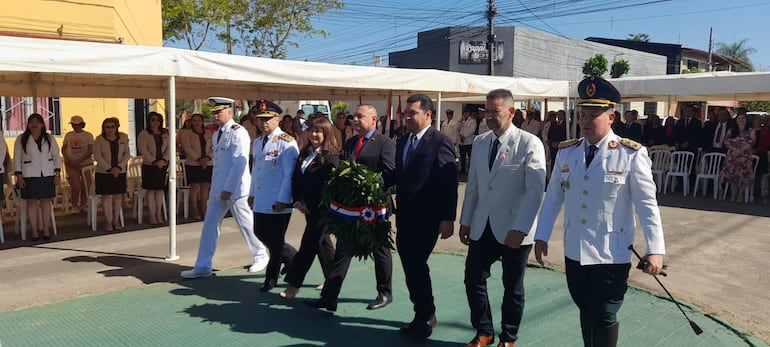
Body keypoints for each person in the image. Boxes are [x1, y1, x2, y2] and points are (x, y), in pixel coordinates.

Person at [535, 76, 666, 347]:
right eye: (582, 114)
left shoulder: (631, 154)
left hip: (611, 251)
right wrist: (542, 235)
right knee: (585, 308)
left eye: (593, 114)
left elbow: (647, 206)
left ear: (611, 117)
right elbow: (553, 198)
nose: (585, 120)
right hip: (576, 249)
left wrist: (656, 249)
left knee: (605, 313)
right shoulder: (567, 152)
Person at [459, 89, 546, 347]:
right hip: (482, 225)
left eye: (494, 111)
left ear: (511, 112)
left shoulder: (529, 143)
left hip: (514, 229)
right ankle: (484, 330)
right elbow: (474, 185)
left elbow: (535, 191)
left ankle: (508, 338)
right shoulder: (480, 142)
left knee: (513, 287)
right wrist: (465, 219)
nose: (488, 117)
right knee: (473, 278)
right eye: (486, 111)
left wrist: (520, 228)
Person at [381, 94, 458, 341]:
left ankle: (426, 315)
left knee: (416, 265)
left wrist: (448, 217)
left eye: (412, 113)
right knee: (410, 266)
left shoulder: (440, 142)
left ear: (428, 115)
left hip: (429, 217)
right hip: (405, 216)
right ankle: (421, 314)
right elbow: (398, 175)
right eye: (406, 113)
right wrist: (375, 182)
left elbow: (449, 182)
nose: (408, 117)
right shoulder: (402, 141)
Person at [305, 104, 396, 312]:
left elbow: (390, 172)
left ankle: (385, 292)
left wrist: (367, 182)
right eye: (354, 116)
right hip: (351, 208)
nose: (354, 120)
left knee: (380, 249)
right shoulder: (351, 142)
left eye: (360, 116)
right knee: (343, 251)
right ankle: (329, 296)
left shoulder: (385, 143)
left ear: (373, 120)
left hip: (374, 208)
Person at [181, 97, 270, 279]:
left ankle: (261, 255)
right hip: (218, 188)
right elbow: (219, 163)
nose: (215, 115)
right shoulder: (216, 133)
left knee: (246, 224)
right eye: (214, 112)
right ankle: (203, 265)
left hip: (235, 189)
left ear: (229, 112)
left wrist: (228, 188)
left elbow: (239, 162)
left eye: (218, 112)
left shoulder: (239, 132)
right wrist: (218, 188)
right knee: (209, 226)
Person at [280, 117, 339, 299]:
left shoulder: (331, 158)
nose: (314, 134)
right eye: (312, 130)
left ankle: (294, 284)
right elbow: (296, 179)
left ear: (326, 134)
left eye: (318, 131)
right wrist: (297, 201)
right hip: (306, 208)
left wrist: (310, 205)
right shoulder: (305, 153)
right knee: (323, 245)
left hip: (322, 210)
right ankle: (332, 279)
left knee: (308, 245)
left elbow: (328, 189)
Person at [249, 99, 300, 292]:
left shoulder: (287, 143)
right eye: (260, 119)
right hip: (261, 198)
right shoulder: (258, 141)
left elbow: (289, 175)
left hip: (278, 199)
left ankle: (271, 279)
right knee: (259, 232)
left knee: (276, 242)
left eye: (267, 119)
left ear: (277, 120)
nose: (263, 123)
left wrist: (283, 199)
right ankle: (293, 257)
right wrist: (252, 193)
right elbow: (256, 171)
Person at [13, 113, 62, 241]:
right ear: (28, 124)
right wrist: (19, 176)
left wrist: (57, 173)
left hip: (47, 173)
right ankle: (34, 230)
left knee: (46, 202)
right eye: (31, 121)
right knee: (32, 202)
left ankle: (45, 228)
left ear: (42, 124)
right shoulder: (21, 139)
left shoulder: (49, 138)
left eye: (37, 121)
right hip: (29, 174)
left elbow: (56, 156)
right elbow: (17, 158)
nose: (34, 124)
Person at [92, 117, 130, 232]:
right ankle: (108, 221)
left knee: (118, 196)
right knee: (106, 197)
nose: (110, 129)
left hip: (120, 171)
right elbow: (97, 156)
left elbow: (127, 153)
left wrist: (119, 167)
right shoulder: (98, 139)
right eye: (107, 127)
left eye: (112, 127)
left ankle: (116, 220)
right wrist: (109, 169)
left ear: (117, 127)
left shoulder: (123, 137)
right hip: (104, 172)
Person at [137, 111, 169, 225]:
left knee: (159, 190)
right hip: (149, 165)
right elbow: (143, 149)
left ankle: (158, 213)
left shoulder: (165, 133)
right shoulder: (144, 133)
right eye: (153, 120)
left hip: (162, 165)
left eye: (157, 120)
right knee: (150, 190)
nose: (155, 122)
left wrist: (163, 160)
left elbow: (169, 148)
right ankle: (151, 214)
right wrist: (154, 161)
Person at [181, 113, 213, 220]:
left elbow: (213, 147)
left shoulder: (208, 132)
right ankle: (194, 210)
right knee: (194, 187)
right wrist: (199, 159)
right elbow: (187, 148)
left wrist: (207, 158)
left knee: (205, 186)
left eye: (199, 120)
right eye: (195, 120)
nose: (197, 123)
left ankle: (204, 210)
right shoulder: (187, 133)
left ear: (202, 122)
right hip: (193, 164)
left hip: (208, 163)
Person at [61, 115, 94, 213]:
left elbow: (90, 149)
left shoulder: (88, 135)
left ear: (81, 125)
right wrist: (67, 158)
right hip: (71, 164)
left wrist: (79, 160)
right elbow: (64, 148)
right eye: (73, 124)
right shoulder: (68, 135)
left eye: (76, 124)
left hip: (86, 163)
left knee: (86, 185)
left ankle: (84, 203)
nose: (74, 126)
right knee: (75, 186)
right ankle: (74, 205)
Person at [720, 113, 755, 202]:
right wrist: (734, 150)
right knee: (732, 175)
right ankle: (733, 194)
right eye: (739, 118)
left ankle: (740, 195)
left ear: (746, 120)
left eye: (743, 118)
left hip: (745, 155)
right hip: (732, 155)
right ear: (736, 120)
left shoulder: (751, 131)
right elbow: (726, 142)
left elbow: (751, 142)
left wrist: (740, 151)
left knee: (743, 175)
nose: (741, 120)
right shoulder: (732, 130)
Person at [458, 110, 477, 174]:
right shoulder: (462, 121)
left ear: (468, 113)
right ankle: (462, 169)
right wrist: (460, 122)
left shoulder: (472, 120)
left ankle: (469, 170)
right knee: (462, 156)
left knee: (470, 157)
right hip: (462, 141)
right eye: (464, 113)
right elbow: (458, 129)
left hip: (469, 141)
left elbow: (472, 130)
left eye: (466, 113)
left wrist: (465, 136)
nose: (465, 114)